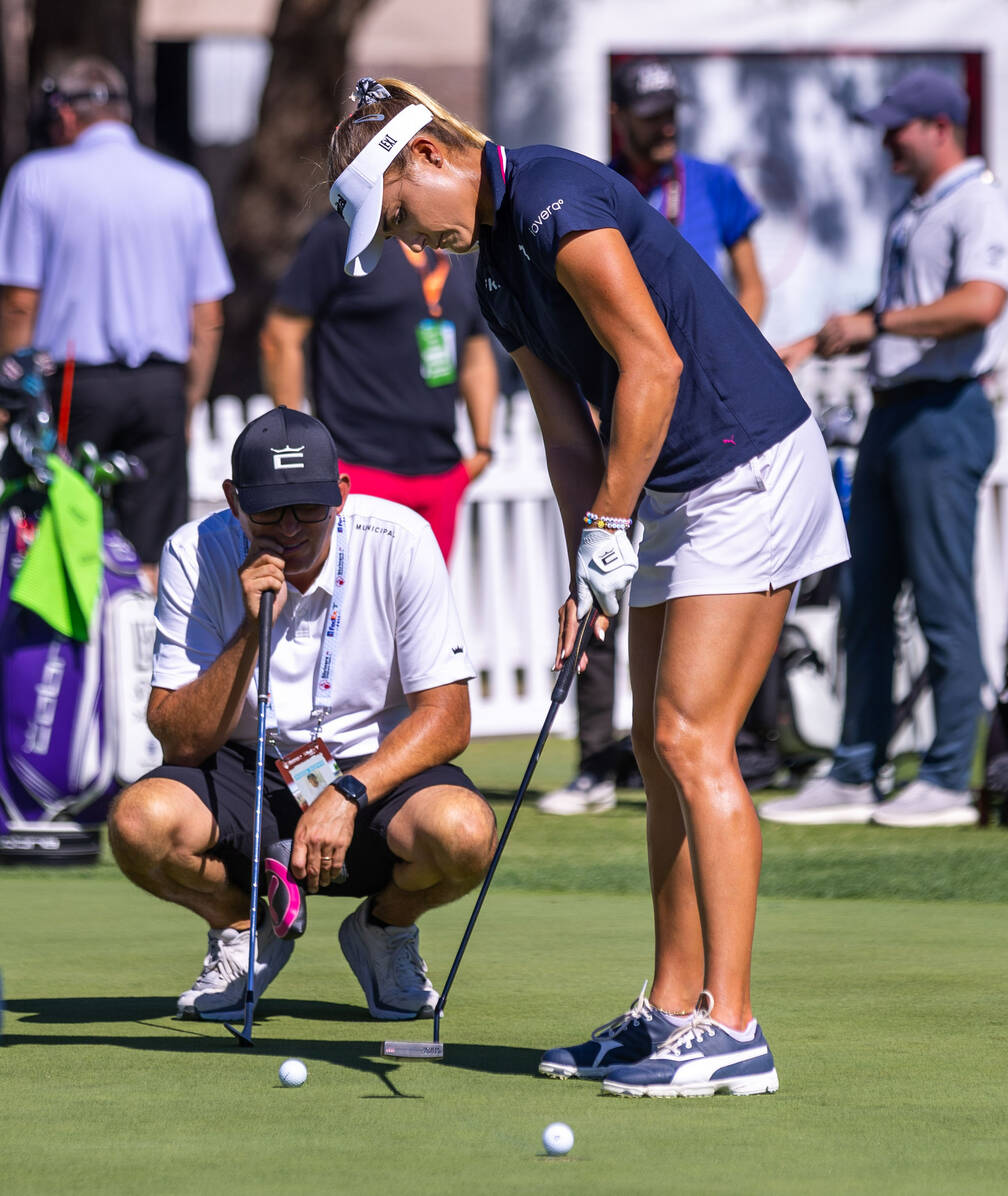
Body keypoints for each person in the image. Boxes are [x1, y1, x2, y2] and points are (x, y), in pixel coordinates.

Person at [325, 76, 847, 1097]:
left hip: (745, 463)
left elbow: (649, 365)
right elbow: (570, 436)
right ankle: (669, 1004)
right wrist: (585, 567)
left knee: (696, 740)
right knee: (656, 748)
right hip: (668, 483)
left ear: (428, 157)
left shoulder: (555, 198)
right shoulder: (495, 281)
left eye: (398, 218)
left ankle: (732, 1024)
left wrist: (613, 526)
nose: (412, 245)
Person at [106, 406, 497, 1022]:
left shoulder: (400, 539)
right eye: (268, 510)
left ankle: (385, 928)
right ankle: (243, 927)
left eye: (309, 508)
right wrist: (249, 632)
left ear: (341, 495)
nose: (290, 528)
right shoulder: (193, 551)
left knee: (466, 835)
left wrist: (344, 794)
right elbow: (178, 740)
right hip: (242, 766)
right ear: (234, 499)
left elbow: (448, 718)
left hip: (373, 770)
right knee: (138, 825)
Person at [762, 68, 1008, 829]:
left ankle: (945, 777)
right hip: (894, 415)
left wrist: (879, 327)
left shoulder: (979, 201)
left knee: (942, 601)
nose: (885, 142)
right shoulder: (920, 207)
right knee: (866, 601)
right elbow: (904, 306)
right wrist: (820, 337)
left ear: (940, 125)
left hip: (945, 413)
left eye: (897, 127)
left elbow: (981, 301)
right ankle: (854, 769)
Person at [537, 56, 771, 817]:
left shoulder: (713, 184)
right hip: (630, 414)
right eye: (648, 112)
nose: (663, 124)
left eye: (671, 109)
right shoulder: (593, 190)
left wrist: (732, 358)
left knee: (713, 595)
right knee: (602, 573)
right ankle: (598, 757)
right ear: (619, 116)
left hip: (702, 413)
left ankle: (751, 745)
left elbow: (749, 280)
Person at [0, 56, 232, 580]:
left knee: (63, 539)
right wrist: (188, 398)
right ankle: (145, 657)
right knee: (156, 555)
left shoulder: (36, 178)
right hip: (159, 384)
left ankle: (79, 660)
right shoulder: (184, 183)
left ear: (63, 114)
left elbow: (19, 302)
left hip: (75, 385)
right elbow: (208, 315)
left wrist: (11, 395)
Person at [260, 211, 499, 561]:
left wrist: (482, 450)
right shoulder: (341, 235)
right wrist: (300, 450)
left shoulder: (453, 242)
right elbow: (281, 336)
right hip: (357, 471)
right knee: (354, 609)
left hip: (441, 475)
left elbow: (476, 350)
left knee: (420, 613)